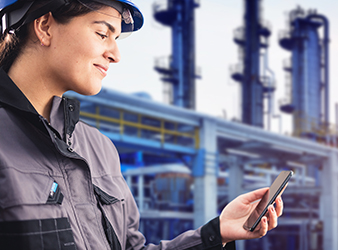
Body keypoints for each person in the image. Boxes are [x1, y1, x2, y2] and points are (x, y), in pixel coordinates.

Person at [0, 0, 284, 249]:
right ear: (45, 26)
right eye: (102, 34)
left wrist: (217, 232)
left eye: (117, 39)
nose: (115, 54)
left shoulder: (97, 148)